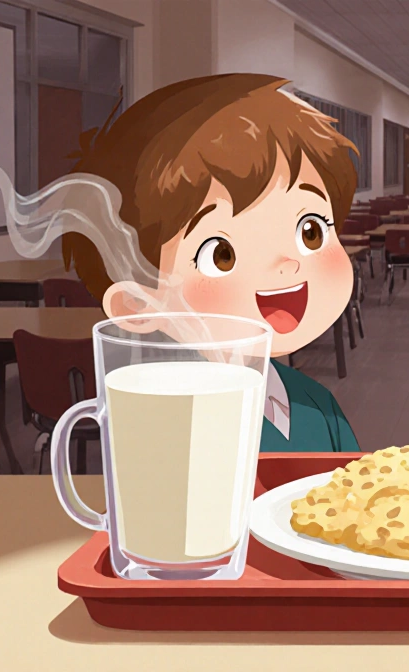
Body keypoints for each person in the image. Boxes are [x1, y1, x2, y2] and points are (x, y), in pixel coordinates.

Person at [63, 73, 361, 452]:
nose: (285, 264)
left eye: (311, 231)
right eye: (221, 254)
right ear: (136, 303)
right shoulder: (165, 424)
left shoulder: (316, 406)